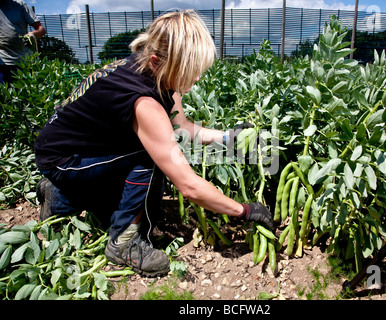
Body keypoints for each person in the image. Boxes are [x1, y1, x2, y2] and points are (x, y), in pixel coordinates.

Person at [34, 10, 274, 277]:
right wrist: (243, 210)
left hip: (81, 149)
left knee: (149, 156)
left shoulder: (156, 72)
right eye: (190, 72)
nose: (195, 79)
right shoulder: (144, 102)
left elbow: (182, 127)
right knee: (150, 157)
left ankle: (60, 196)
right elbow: (188, 186)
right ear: (158, 62)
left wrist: (229, 137)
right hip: (63, 159)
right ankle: (123, 243)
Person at [0, 0, 46, 84]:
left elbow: (41, 29)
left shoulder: (20, 5)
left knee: (24, 94)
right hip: (2, 63)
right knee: (5, 94)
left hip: (23, 62)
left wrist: (33, 34)